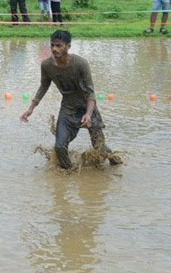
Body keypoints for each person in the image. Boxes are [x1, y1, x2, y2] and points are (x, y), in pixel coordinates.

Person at [19, 29, 119, 169]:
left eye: (59, 45)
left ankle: (117, 161)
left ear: (68, 46)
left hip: (86, 107)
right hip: (68, 108)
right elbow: (44, 86)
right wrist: (31, 108)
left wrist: (88, 114)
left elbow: (91, 93)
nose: (54, 49)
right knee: (60, 147)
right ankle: (69, 173)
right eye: (52, 45)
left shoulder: (81, 63)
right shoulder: (46, 65)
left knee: (99, 147)